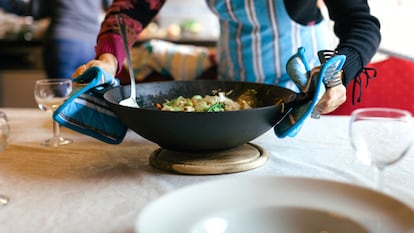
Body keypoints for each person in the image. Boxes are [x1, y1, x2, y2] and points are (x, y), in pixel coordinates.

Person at [73, 0, 381, 115]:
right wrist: (108, 60)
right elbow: (132, 8)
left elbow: (361, 23)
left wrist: (338, 72)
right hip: (232, 98)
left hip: (301, 91)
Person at [0, 0, 112, 79]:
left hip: (62, 43)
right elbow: (112, 6)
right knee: (88, 101)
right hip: (92, 43)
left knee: (62, 100)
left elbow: (35, 10)